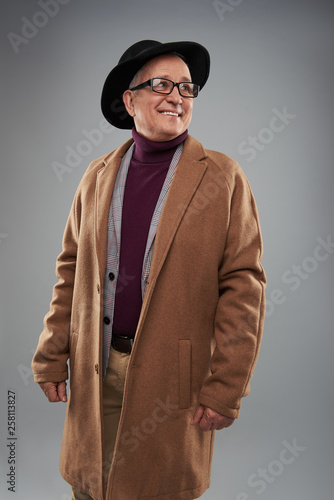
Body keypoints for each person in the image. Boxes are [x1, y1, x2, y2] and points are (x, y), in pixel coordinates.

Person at [32, 39, 266, 500]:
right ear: (129, 99)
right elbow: (70, 269)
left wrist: (227, 386)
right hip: (96, 369)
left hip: (173, 379)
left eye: (186, 87)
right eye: (161, 84)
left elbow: (245, 285)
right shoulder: (97, 176)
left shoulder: (222, 177)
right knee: (91, 487)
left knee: (158, 489)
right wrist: (51, 353)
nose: (177, 96)